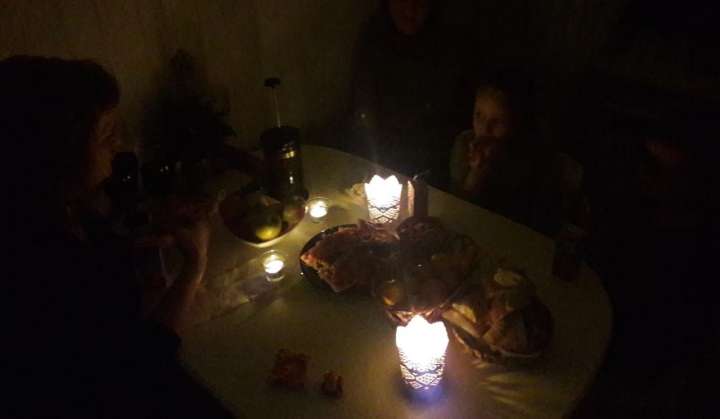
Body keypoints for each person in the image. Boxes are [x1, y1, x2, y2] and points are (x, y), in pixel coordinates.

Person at [3, 56, 231, 418]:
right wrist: (193, 269)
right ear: (59, 155)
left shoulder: (65, 208)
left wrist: (142, 234)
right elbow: (142, 367)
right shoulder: (40, 268)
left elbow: (99, 251)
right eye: (106, 136)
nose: (120, 145)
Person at [347, 0, 467, 186]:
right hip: (381, 160)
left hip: (430, 166)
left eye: (420, 3)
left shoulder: (448, 44)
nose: (410, 10)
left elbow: (451, 119)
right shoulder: (374, 37)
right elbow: (363, 107)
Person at [449, 82, 565, 235]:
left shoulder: (524, 158)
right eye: (479, 115)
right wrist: (477, 171)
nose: (485, 129)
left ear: (514, 124)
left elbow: (522, 217)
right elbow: (458, 203)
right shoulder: (464, 143)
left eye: (497, 121)